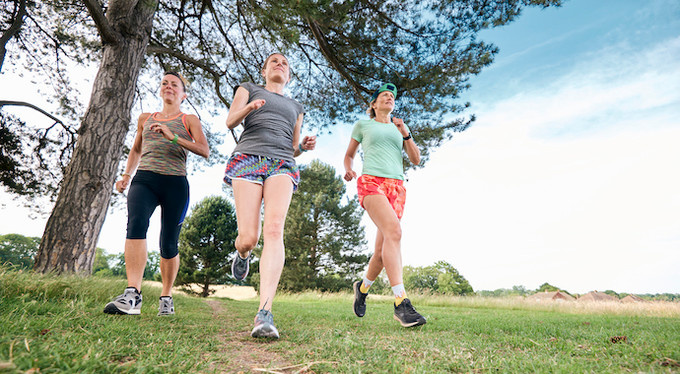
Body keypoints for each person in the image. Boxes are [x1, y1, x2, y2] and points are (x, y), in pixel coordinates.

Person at [224, 53, 316, 338]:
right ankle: (242, 253)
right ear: (264, 70)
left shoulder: (296, 106)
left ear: (288, 75)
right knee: (249, 237)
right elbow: (230, 121)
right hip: (248, 157)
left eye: (285, 63)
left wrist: (302, 146)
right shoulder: (249, 88)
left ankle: (264, 313)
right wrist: (249, 107)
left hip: (282, 163)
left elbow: (293, 146)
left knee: (275, 229)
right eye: (274, 61)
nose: (280, 64)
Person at [104, 72, 210, 316]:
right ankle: (132, 295)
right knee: (137, 223)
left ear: (183, 94)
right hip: (145, 179)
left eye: (175, 84)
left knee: (168, 242)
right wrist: (126, 176)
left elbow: (204, 150)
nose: (169, 87)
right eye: (164, 83)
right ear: (160, 90)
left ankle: (166, 296)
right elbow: (136, 150)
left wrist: (174, 138)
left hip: (175, 182)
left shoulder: (189, 119)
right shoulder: (145, 118)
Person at [343, 83, 426, 327]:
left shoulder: (399, 126)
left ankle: (363, 288)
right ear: (374, 104)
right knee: (395, 232)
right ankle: (401, 303)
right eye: (384, 96)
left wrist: (405, 133)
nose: (389, 98)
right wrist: (349, 169)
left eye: (392, 96)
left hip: (396, 187)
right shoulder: (363, 125)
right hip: (371, 182)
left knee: (380, 253)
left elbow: (416, 159)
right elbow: (349, 154)